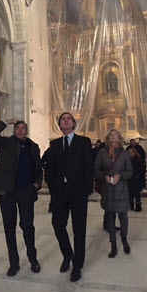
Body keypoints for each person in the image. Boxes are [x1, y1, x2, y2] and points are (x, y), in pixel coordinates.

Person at [0, 119, 42, 277]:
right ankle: (14, 264)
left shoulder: (33, 146)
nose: (20, 130)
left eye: (23, 128)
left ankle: (33, 260)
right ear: (13, 131)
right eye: (17, 128)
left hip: (26, 191)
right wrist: (5, 122)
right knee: (9, 228)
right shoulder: (6, 143)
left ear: (26, 131)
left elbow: (38, 167)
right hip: (8, 191)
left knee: (27, 227)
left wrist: (37, 183)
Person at [46, 112, 93, 282]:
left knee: (79, 230)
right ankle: (68, 255)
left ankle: (77, 266)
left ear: (74, 124)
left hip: (78, 191)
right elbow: (49, 168)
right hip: (60, 192)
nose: (65, 120)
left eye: (68, 118)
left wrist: (88, 188)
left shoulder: (84, 142)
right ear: (60, 125)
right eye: (62, 119)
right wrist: (52, 186)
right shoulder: (55, 144)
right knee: (57, 224)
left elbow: (89, 165)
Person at [95, 129, 132, 259]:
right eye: (111, 134)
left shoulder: (124, 154)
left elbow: (130, 172)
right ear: (108, 138)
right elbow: (96, 170)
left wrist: (119, 175)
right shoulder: (102, 153)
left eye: (115, 134)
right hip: (107, 191)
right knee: (110, 218)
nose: (113, 136)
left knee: (123, 217)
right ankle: (113, 245)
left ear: (119, 137)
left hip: (121, 190)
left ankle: (124, 239)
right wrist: (104, 176)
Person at [128, 147, 143, 211]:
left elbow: (142, 168)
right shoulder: (127, 160)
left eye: (132, 152)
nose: (130, 154)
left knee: (137, 193)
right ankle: (131, 205)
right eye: (129, 152)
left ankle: (138, 206)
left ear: (134, 152)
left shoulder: (138, 159)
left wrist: (139, 175)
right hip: (129, 178)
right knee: (130, 193)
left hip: (136, 178)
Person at [41, 147, 52, 212]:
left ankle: (52, 206)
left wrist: (46, 168)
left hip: (49, 175)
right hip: (53, 175)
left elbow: (42, 162)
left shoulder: (47, 152)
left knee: (53, 192)